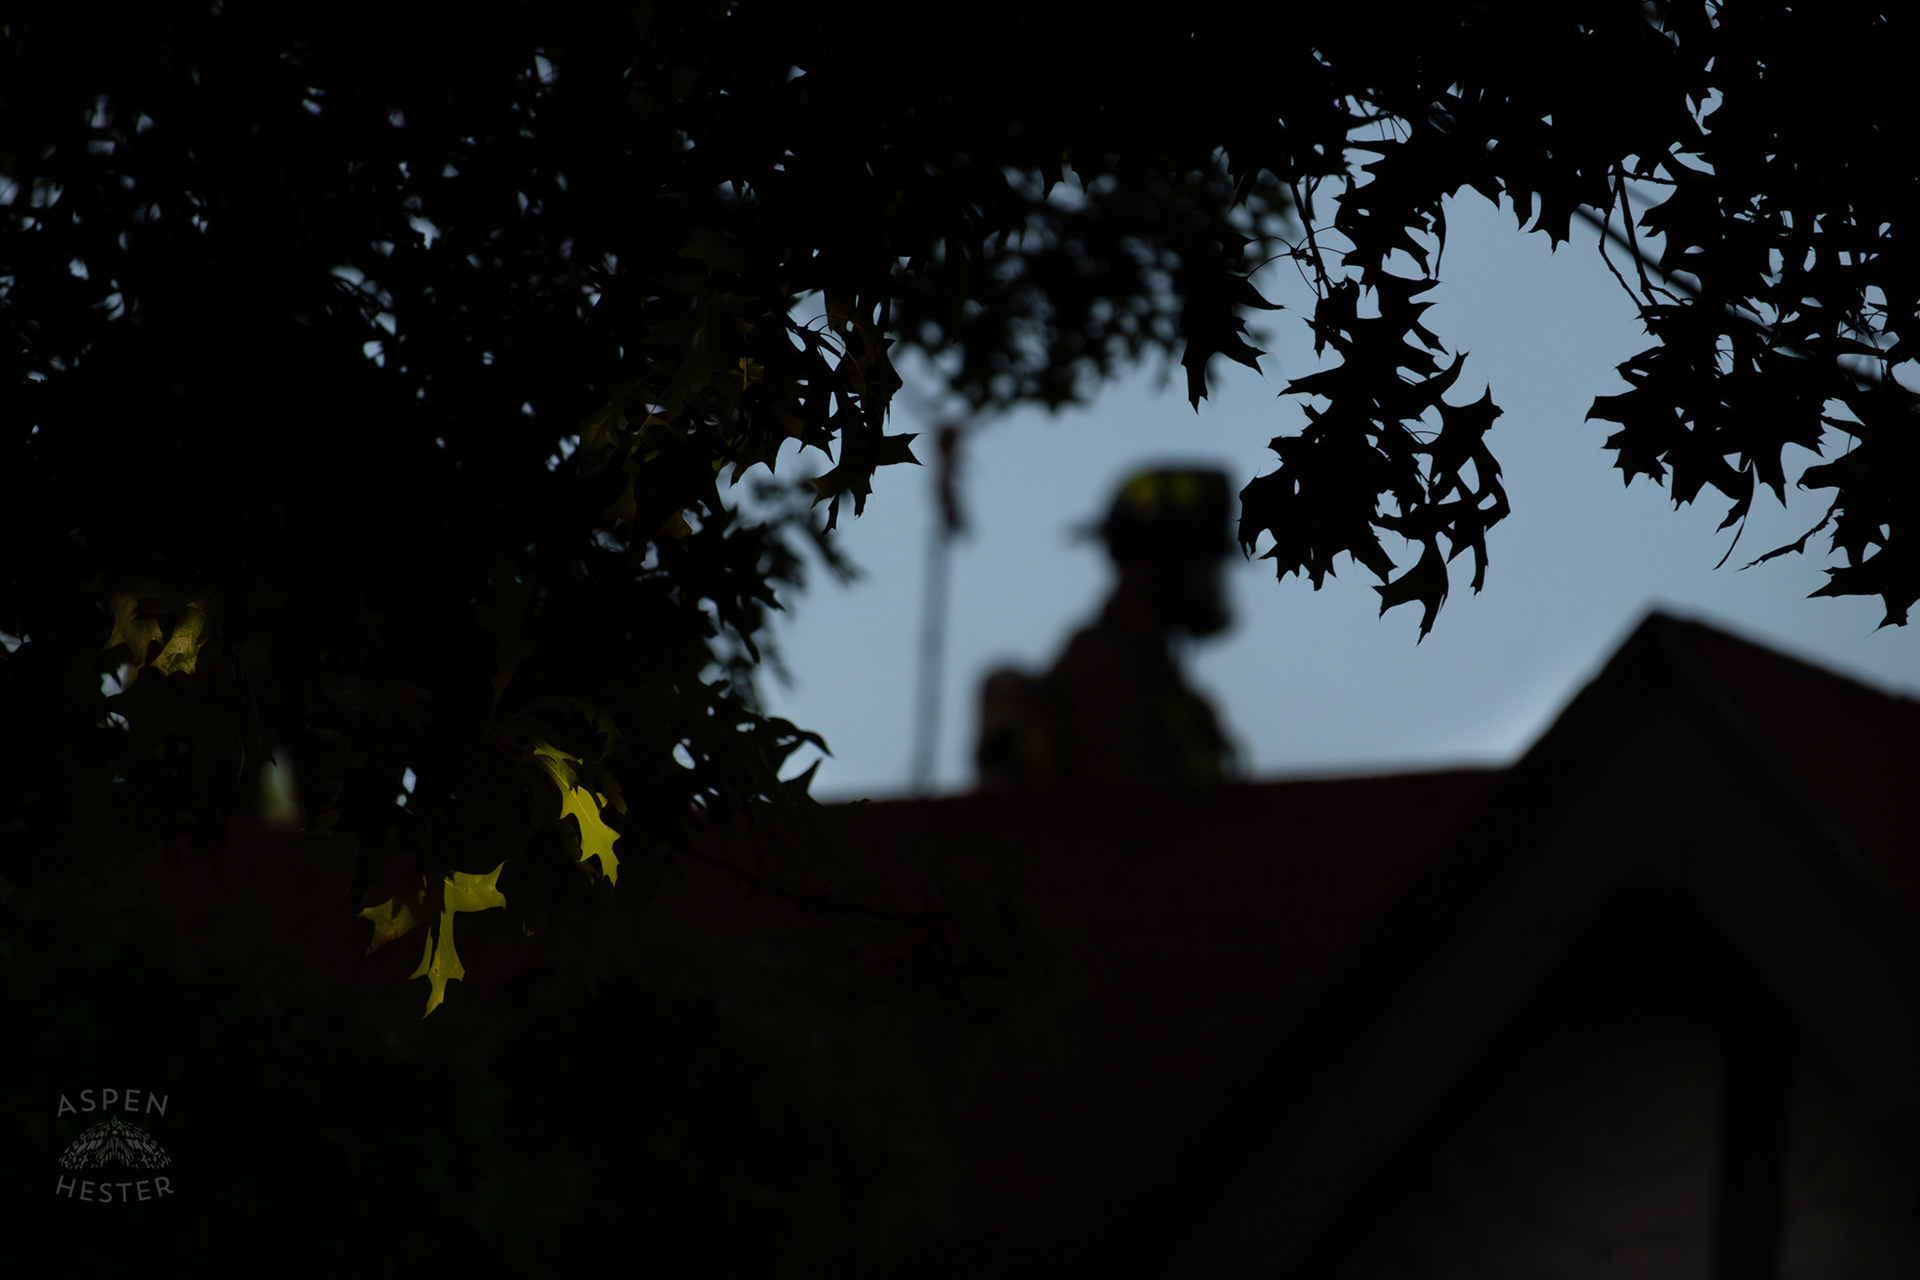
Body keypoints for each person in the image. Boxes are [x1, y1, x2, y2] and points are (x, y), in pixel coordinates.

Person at [975, 466, 1241, 789]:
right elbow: (1127, 819)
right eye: (1206, 562)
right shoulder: (1104, 671)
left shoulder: (1158, 683)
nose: (1217, 582)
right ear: (1152, 565)